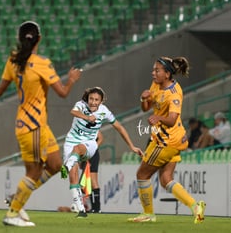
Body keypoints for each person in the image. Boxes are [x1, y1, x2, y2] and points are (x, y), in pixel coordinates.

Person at [0, 21, 82, 227]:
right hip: (33, 126)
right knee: (34, 172)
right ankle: (12, 212)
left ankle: (15, 198)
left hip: (36, 125)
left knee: (54, 165)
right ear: (39, 39)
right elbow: (63, 93)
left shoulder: (13, 60)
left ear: (20, 38)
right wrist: (71, 79)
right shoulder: (42, 63)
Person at [128, 56, 206, 224]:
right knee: (166, 179)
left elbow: (171, 119)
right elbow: (146, 108)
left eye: (157, 70)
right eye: (153, 70)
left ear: (167, 74)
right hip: (174, 139)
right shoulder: (155, 84)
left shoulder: (174, 93)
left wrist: (158, 118)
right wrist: (144, 99)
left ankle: (148, 214)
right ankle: (196, 207)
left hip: (166, 140)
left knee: (142, 174)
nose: (153, 73)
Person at [60, 87, 143, 218]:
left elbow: (119, 128)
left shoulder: (105, 112)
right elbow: (73, 112)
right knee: (73, 176)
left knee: (78, 149)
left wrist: (131, 146)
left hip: (90, 144)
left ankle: (67, 165)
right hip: (70, 141)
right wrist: (87, 117)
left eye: (96, 100)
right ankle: (81, 210)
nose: (93, 102)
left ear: (101, 101)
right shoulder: (81, 105)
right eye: (91, 99)